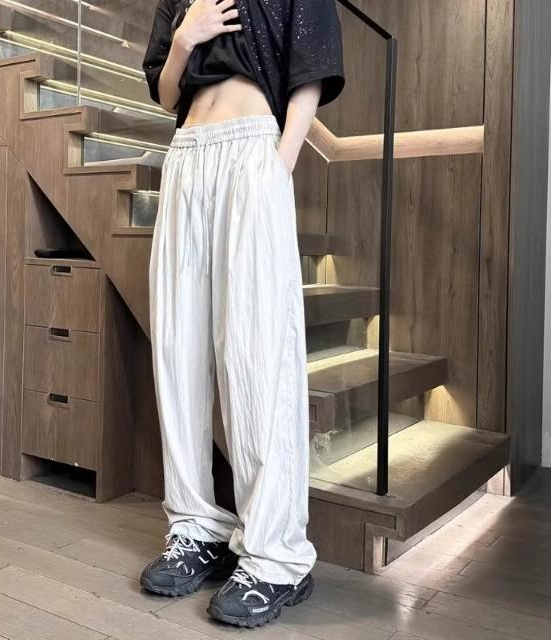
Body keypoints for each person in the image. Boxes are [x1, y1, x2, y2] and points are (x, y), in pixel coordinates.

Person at [139, 0, 345, 628]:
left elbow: (309, 75)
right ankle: (195, 525)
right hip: (186, 154)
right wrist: (185, 37)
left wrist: (279, 166)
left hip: (254, 147)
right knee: (178, 350)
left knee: (258, 355)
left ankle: (275, 555)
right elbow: (166, 93)